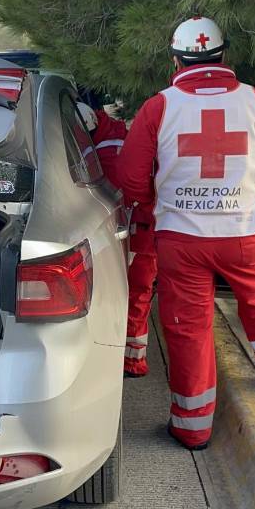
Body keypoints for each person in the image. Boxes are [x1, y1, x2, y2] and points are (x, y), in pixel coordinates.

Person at [115, 16, 255, 450]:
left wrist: (153, 209)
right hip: (245, 231)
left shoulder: (159, 106)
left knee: (188, 327)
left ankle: (192, 427)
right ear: (223, 55)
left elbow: (131, 176)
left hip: (182, 238)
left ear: (176, 58)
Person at [77, 102, 157, 378]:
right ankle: (132, 359)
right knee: (137, 293)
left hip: (126, 229)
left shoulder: (98, 149)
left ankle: (120, 358)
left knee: (114, 293)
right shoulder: (114, 136)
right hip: (142, 228)